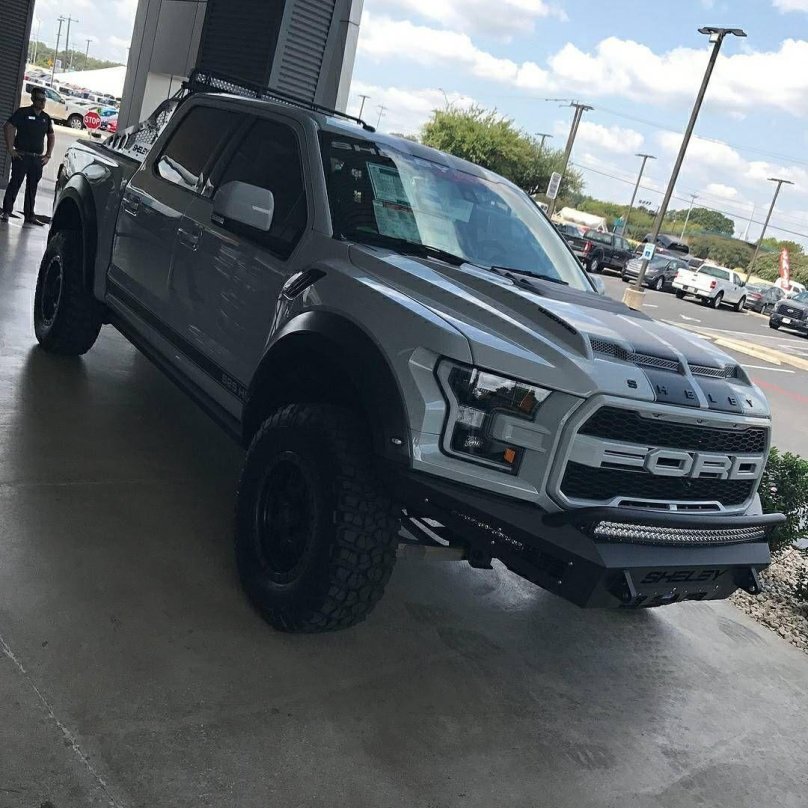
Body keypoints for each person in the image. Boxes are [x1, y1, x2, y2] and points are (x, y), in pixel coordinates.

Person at [1, 86, 55, 226]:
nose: (42, 103)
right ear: (33, 99)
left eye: (44, 100)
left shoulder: (45, 118)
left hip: (37, 158)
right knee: (15, 183)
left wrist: (48, 155)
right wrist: (10, 148)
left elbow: (51, 135)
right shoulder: (23, 113)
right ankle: (6, 211)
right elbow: (8, 126)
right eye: (39, 100)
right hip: (22, 156)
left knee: (32, 187)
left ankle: (29, 215)